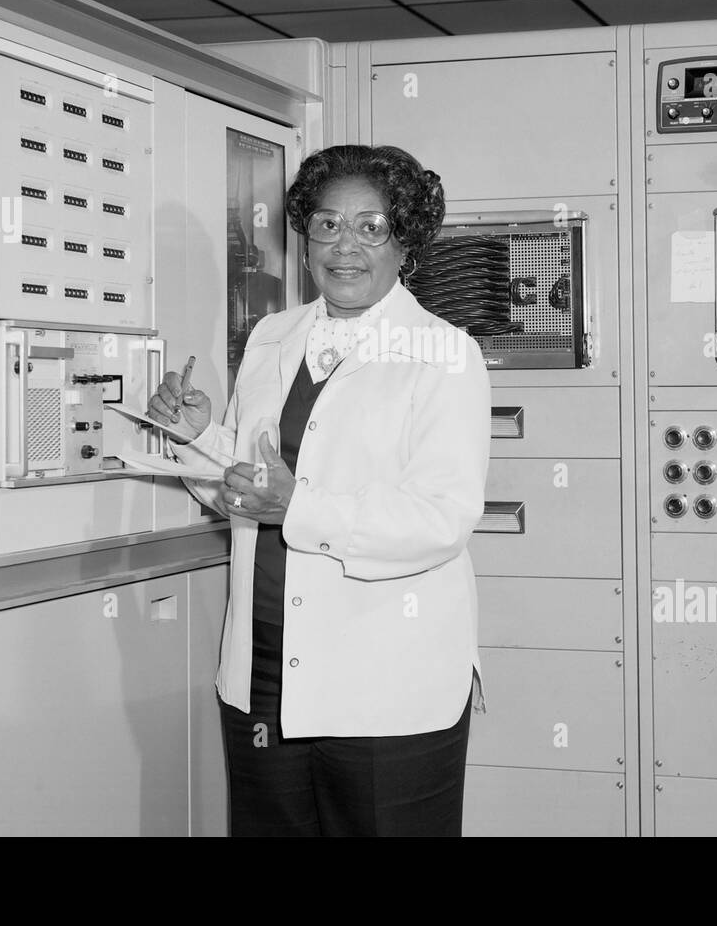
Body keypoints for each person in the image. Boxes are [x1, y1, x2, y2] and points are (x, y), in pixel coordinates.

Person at [148, 144, 491, 837]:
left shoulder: (445, 354)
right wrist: (201, 438)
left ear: (406, 243)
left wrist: (297, 507)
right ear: (305, 235)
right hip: (266, 670)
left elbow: (440, 519)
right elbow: (247, 490)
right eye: (328, 225)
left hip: (385, 683)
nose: (346, 247)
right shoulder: (274, 337)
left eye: (373, 227)